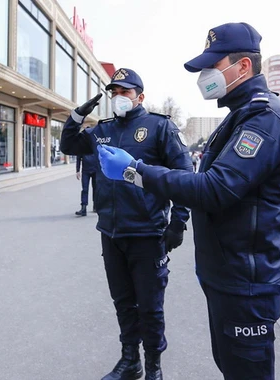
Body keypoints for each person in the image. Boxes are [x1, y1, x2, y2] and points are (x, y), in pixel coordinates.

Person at [97, 22, 280, 380]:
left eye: (213, 65)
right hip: (228, 278)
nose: (206, 74)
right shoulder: (240, 117)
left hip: (246, 285)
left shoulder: (265, 119)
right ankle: (132, 360)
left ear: (243, 67)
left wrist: (135, 170)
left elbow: (214, 189)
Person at [60, 68, 193, 380]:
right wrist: (78, 115)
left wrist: (179, 221)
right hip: (111, 232)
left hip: (147, 234)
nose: (118, 98)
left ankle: (154, 368)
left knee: (150, 307)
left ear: (140, 96)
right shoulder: (101, 130)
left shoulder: (159, 127)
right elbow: (68, 145)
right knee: (123, 303)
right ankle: (130, 361)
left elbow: (184, 175)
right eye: (114, 92)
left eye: (125, 92)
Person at [74, 152, 98, 216]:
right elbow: (78, 158)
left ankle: (96, 206)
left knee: (96, 189)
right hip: (85, 171)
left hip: (96, 170)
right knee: (84, 189)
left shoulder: (95, 143)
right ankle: (83, 208)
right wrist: (77, 170)